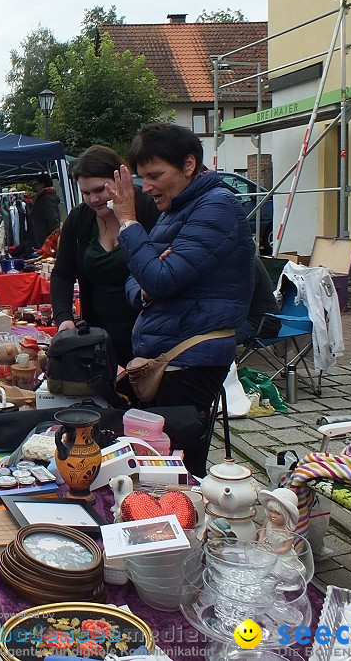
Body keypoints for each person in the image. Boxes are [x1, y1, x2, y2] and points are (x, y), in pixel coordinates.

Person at [107, 122, 254, 474]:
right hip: (170, 354)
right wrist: (147, 283)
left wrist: (128, 223)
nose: (149, 187)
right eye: (143, 177)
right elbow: (137, 281)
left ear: (189, 165)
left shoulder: (215, 207)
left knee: (175, 468)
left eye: (156, 174)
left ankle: (183, 523)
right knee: (158, 463)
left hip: (191, 359)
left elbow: (158, 278)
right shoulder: (177, 210)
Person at [51, 146, 159, 369]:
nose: (94, 199)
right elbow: (62, 273)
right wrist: (64, 318)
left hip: (150, 333)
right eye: (86, 193)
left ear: (120, 177)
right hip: (101, 337)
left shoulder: (148, 209)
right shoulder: (80, 219)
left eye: (100, 189)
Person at [27, 173, 62, 249]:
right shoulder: (45, 197)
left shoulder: (46, 198)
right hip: (44, 237)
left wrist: (53, 239)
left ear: (42, 184)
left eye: (37, 184)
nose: (36, 186)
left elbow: (53, 219)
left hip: (45, 238)